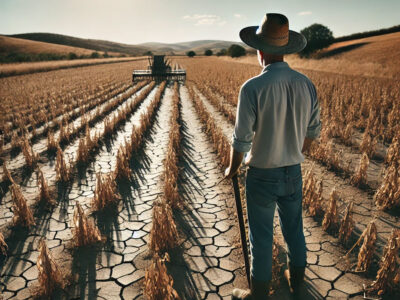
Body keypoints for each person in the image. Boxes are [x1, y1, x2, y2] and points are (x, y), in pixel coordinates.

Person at [224, 13, 321, 300]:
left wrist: (231, 168)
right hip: (293, 172)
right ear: (285, 48)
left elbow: (241, 140)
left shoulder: (252, 88)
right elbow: (313, 132)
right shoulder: (306, 84)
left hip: (262, 175)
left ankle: (258, 294)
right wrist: (294, 152)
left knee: (262, 237)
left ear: (261, 50)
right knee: (294, 229)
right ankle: (297, 281)